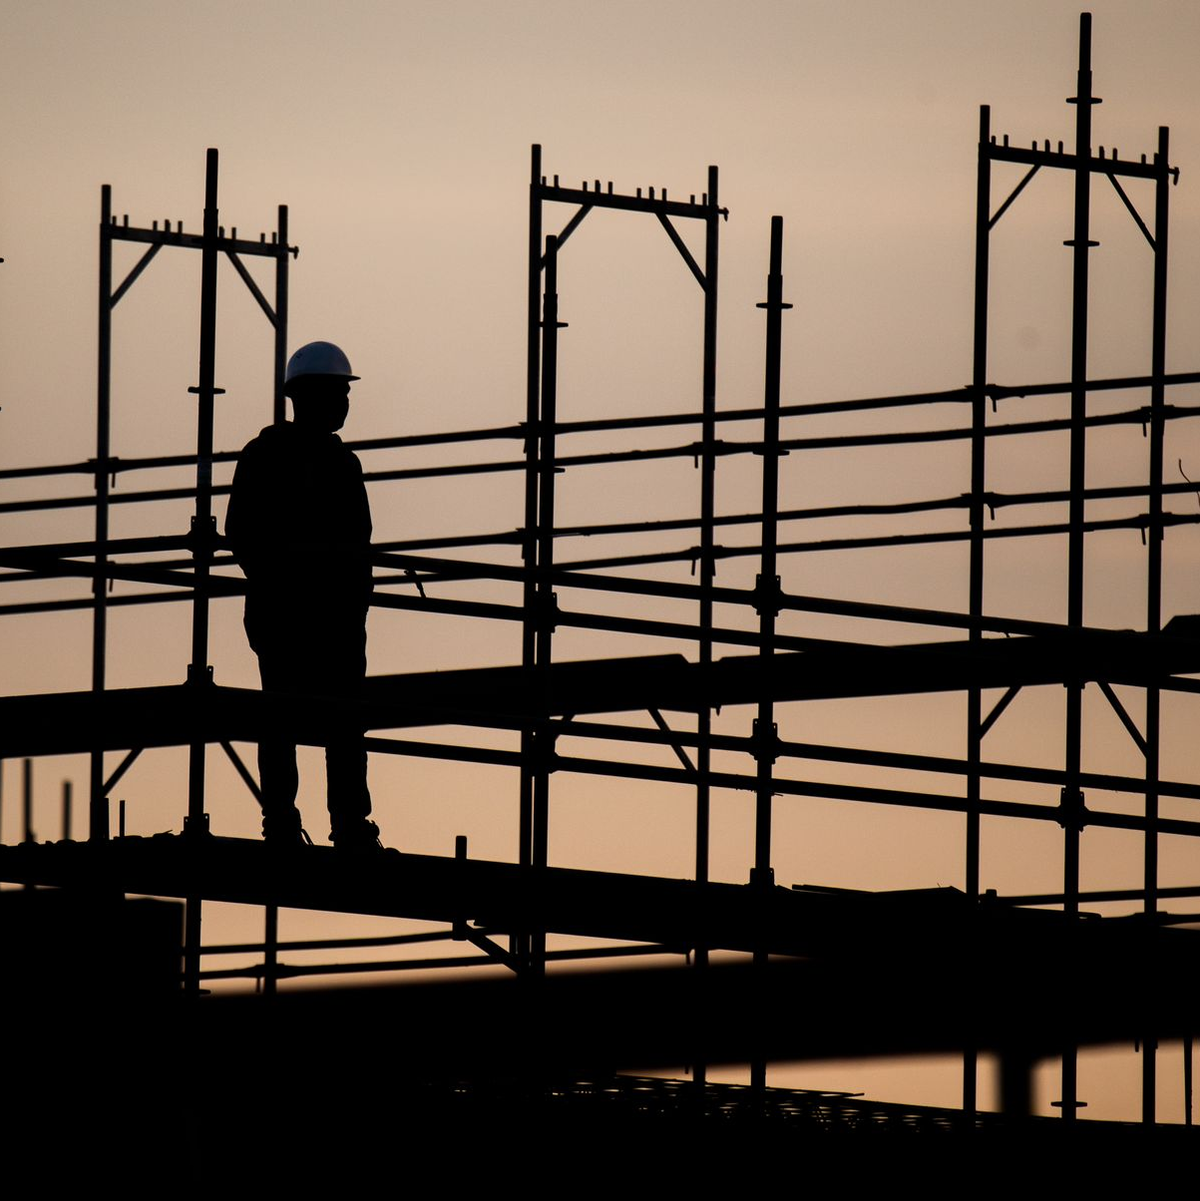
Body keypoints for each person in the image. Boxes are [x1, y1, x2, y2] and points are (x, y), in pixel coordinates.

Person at [225, 340, 381, 850]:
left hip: (294, 615)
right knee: (331, 721)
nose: (345, 403)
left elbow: (241, 533)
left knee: (292, 720)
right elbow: (357, 542)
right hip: (310, 616)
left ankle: (292, 823)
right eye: (339, 392)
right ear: (311, 396)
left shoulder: (271, 457)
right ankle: (341, 826)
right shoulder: (317, 462)